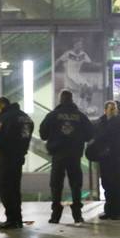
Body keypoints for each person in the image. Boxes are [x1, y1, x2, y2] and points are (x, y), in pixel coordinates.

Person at [39, 90, 94, 223]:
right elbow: (90, 134)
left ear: (60, 100)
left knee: (56, 184)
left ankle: (55, 215)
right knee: (76, 184)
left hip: (58, 154)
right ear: (72, 99)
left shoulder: (53, 115)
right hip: (75, 155)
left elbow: (43, 134)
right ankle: (77, 214)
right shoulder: (80, 116)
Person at [0, 97, 34, 229]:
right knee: (15, 188)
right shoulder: (25, 117)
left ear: (2, 106)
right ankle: (18, 218)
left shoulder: (6, 117)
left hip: (7, 156)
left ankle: (11, 218)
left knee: (5, 186)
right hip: (19, 156)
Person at [91, 100, 120, 220]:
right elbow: (96, 137)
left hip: (118, 157)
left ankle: (118, 211)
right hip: (105, 157)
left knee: (117, 184)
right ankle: (109, 210)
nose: (112, 111)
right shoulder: (100, 122)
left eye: (114, 108)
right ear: (105, 110)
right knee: (107, 184)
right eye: (110, 108)